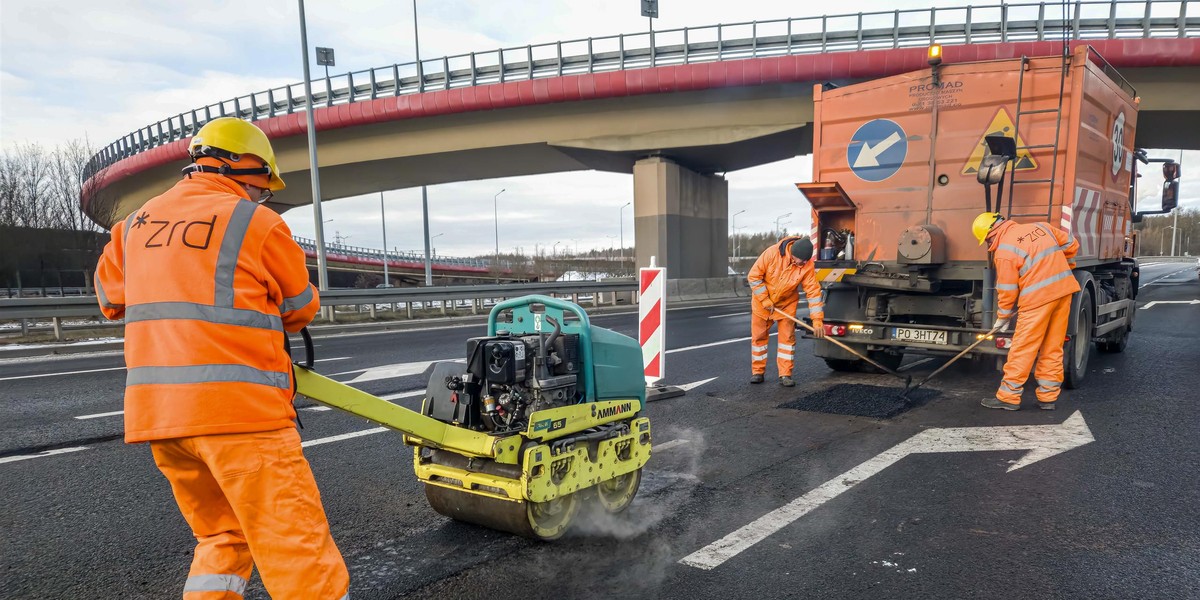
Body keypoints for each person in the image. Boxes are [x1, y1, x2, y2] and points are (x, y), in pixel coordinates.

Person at [94, 117, 350, 599]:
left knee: (222, 538)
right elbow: (299, 309)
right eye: (263, 188)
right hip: (242, 417)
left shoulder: (133, 226)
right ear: (248, 171)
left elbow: (111, 299)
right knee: (295, 549)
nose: (261, 197)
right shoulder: (255, 222)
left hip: (163, 422)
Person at [973, 212, 1080, 411]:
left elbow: (1007, 290)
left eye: (987, 240)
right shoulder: (1041, 227)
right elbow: (1072, 245)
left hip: (1037, 300)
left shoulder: (1004, 251)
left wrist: (1002, 318)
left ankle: (1008, 396)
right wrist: (1059, 264)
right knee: (1053, 346)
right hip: (1063, 292)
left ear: (990, 234)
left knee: (1023, 348)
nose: (989, 245)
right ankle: (1048, 398)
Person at [747, 236, 825, 387]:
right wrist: (764, 299)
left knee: (787, 341)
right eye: (801, 260)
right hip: (762, 305)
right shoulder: (771, 254)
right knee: (759, 339)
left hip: (786, 305)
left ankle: (785, 374)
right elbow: (754, 276)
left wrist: (817, 320)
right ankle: (758, 372)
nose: (802, 264)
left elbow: (813, 292)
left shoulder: (807, 265)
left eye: (805, 261)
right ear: (792, 253)